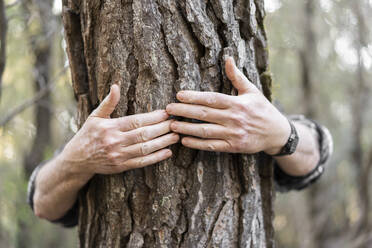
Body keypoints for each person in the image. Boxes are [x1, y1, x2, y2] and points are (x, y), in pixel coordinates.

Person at [27, 57, 333, 227]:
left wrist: (282, 133)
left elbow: (315, 156)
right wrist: (74, 162)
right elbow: (42, 202)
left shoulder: (252, 115)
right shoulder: (98, 135)